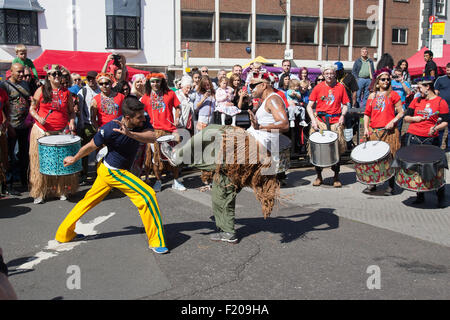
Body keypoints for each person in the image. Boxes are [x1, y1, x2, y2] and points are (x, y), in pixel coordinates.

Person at [160, 71, 289, 243]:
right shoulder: (266, 101)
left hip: (253, 148)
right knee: (223, 187)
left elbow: (285, 124)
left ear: (264, 85)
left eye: (253, 85)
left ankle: (179, 158)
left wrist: (260, 126)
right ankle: (228, 232)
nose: (250, 89)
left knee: (213, 130)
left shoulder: (273, 98)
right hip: (250, 154)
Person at [54, 97, 169, 254]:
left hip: (107, 170)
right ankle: (156, 241)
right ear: (127, 117)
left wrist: (130, 134)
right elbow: (90, 146)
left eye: (143, 115)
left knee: (87, 201)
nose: (144, 118)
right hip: (113, 171)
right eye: (139, 117)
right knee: (147, 195)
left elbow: (152, 136)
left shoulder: (141, 121)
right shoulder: (109, 129)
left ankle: (64, 234)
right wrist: (74, 158)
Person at [28, 64, 78, 204]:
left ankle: (61, 190)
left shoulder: (66, 93)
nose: (57, 76)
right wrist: (38, 118)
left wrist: (72, 121)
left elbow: (71, 111)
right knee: (41, 163)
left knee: (61, 163)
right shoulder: (41, 90)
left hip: (60, 132)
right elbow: (32, 108)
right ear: (48, 76)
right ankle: (40, 192)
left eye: (58, 74)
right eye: (53, 74)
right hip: (42, 131)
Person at [403, 77, 449, 208]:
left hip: (430, 139)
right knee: (416, 167)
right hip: (414, 137)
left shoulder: (441, 102)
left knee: (435, 168)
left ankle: (440, 196)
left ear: (428, 87)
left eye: (420, 87)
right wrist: (414, 118)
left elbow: (445, 121)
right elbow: (406, 117)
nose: (418, 90)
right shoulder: (416, 100)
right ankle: (420, 195)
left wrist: (435, 128)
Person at [141, 72, 186, 192]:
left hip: (170, 130)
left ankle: (176, 181)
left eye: (157, 81)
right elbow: (141, 114)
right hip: (153, 132)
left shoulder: (170, 93)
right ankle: (158, 181)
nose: (155, 84)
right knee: (156, 158)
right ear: (149, 83)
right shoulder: (145, 97)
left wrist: (176, 118)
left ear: (162, 82)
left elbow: (178, 107)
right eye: (153, 81)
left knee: (174, 157)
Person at [306, 63, 349, 188]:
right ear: (323, 74)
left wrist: (342, 116)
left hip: (335, 122)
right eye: (327, 73)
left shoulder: (340, 87)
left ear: (335, 74)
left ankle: (336, 176)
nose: (329, 76)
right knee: (318, 150)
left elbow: (345, 104)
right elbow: (309, 106)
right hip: (321, 123)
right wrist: (313, 120)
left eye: (331, 73)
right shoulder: (318, 87)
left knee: (336, 150)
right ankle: (319, 176)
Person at [363, 68, 404, 195]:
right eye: (383, 79)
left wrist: (393, 121)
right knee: (373, 159)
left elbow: (402, 112)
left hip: (389, 133)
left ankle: (390, 186)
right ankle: (373, 183)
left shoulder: (393, 95)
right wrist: (365, 128)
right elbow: (367, 114)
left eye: (388, 79)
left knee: (389, 159)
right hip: (374, 132)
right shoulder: (372, 96)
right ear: (377, 82)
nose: (386, 81)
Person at [0, 63, 31, 192]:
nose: (21, 74)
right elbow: (4, 106)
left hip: (25, 125)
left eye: (22, 72)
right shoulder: (5, 86)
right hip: (11, 126)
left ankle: (24, 180)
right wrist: (8, 124)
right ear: (11, 72)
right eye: (18, 72)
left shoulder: (25, 84)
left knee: (24, 154)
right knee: (10, 155)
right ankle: (9, 183)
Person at [77, 71, 101, 183]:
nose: (91, 80)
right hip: (87, 124)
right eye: (89, 78)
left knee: (100, 149)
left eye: (93, 78)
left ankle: (99, 173)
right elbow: (80, 110)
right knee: (86, 150)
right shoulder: (83, 91)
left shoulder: (101, 91)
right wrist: (81, 124)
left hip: (99, 125)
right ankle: (84, 174)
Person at [391, 67, 412, 134]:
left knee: (398, 128)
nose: (397, 76)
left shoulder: (405, 83)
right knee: (390, 126)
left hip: (400, 107)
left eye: (398, 75)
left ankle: (398, 142)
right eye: (395, 74)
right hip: (391, 106)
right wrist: (390, 79)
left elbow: (409, 93)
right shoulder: (390, 82)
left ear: (402, 76)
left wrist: (402, 81)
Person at [434, 62, 450, 150]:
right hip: (442, 109)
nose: (449, 72)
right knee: (440, 129)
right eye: (448, 70)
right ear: (446, 70)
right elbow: (435, 91)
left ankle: (449, 148)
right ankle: (438, 148)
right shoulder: (440, 79)